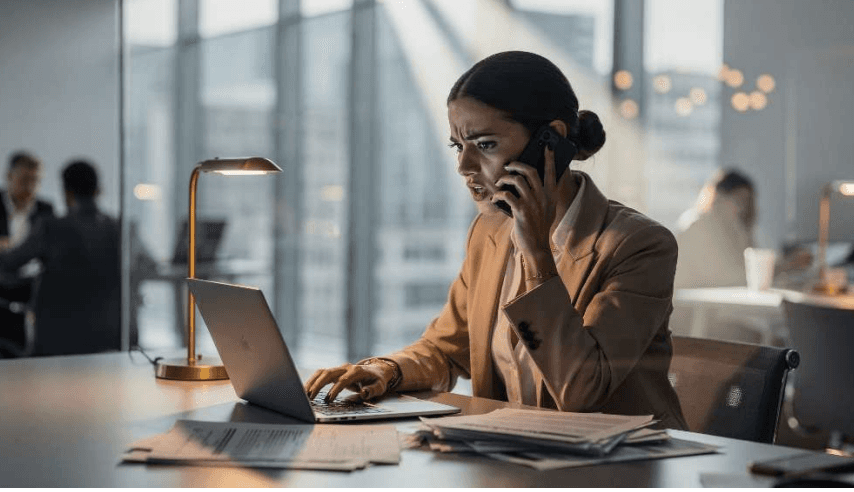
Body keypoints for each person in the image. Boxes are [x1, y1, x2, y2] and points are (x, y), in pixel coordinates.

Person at [305, 51, 687, 430]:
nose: (464, 167)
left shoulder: (640, 245)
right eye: (458, 146)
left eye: (485, 145)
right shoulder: (489, 231)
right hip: (519, 457)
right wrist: (384, 370)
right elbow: (447, 348)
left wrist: (537, 255)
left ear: (550, 141)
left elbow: (582, 389)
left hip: (622, 469)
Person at [0, 160, 120, 356]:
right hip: (110, 334)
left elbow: (8, 263)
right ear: (98, 190)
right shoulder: (119, 229)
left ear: (66, 192)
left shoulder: (50, 226)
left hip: (56, 339)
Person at [0, 151, 55, 355]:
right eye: (25, 180)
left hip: (33, 287)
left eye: (36, 181)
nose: (30, 187)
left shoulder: (45, 209)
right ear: (9, 177)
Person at [673, 169, 756, 289]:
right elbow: (725, 278)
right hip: (691, 303)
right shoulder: (696, 226)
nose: (742, 208)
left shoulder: (734, 229)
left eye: (746, 202)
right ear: (718, 197)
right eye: (738, 201)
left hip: (714, 300)